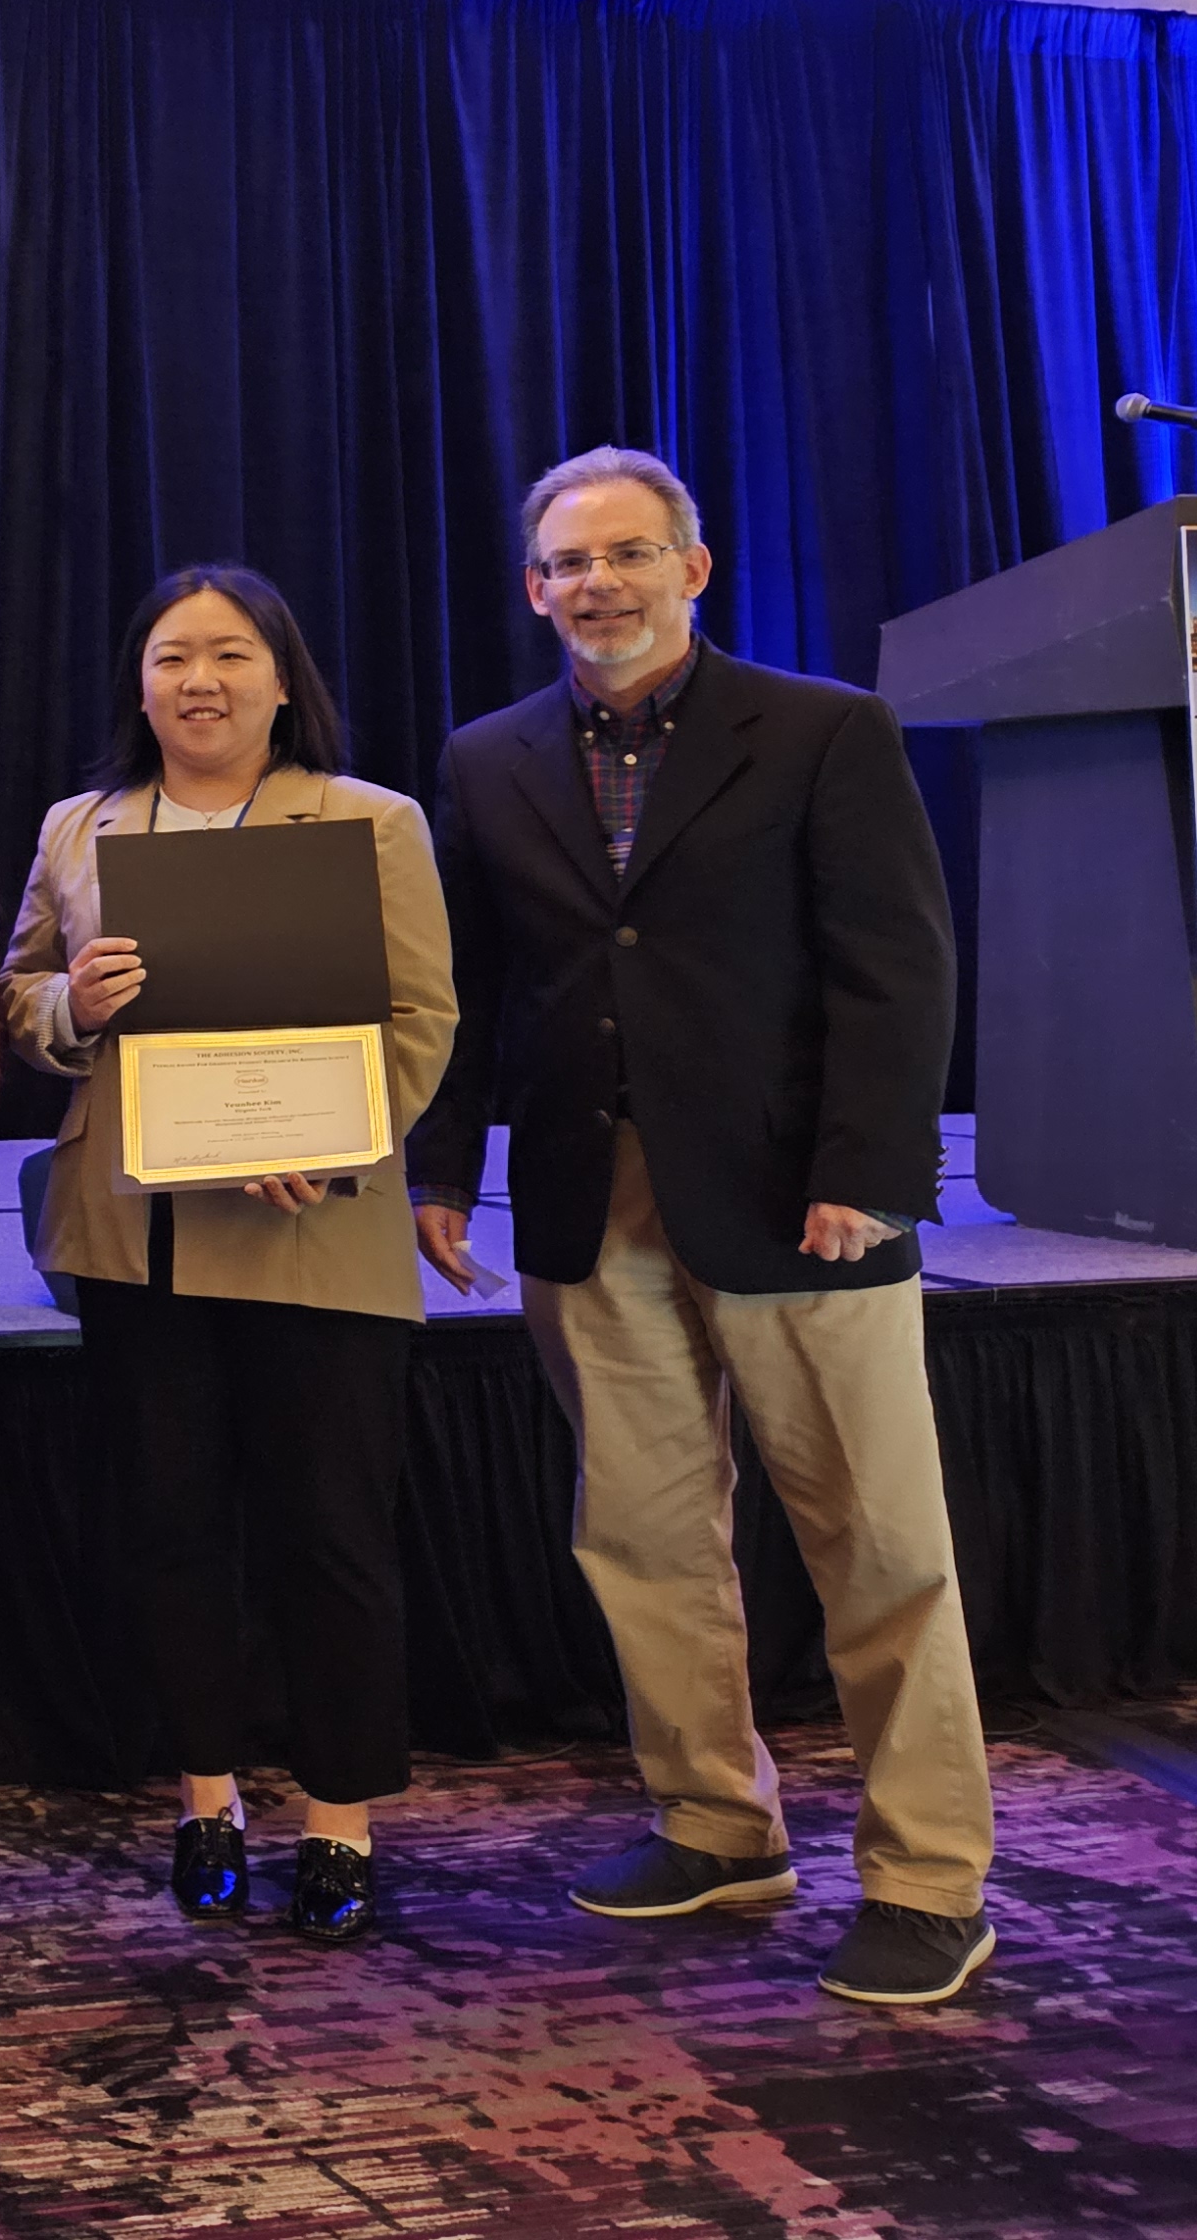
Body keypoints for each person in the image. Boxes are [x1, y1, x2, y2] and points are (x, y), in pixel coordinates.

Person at [410, 446, 987, 2007]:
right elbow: (476, 987)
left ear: (694, 568)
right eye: (568, 563)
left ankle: (930, 1880)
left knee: (878, 1548)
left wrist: (871, 1169)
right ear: (535, 590)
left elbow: (899, 967)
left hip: (805, 1202)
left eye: (627, 554)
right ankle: (717, 1825)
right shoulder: (487, 759)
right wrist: (441, 1169)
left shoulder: (823, 731)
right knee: (645, 1543)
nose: (597, 583)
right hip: (588, 1200)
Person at [0, 564, 460, 1944]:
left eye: (230, 654)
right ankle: (206, 1799)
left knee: (332, 1536)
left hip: (313, 1224)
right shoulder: (79, 826)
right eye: (171, 656)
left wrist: (330, 1136)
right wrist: (70, 1006)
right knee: (173, 1529)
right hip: (136, 1240)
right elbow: (14, 990)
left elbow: (421, 1016)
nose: (199, 679)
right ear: (139, 686)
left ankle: (338, 1818)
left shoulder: (369, 820)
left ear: (280, 680)